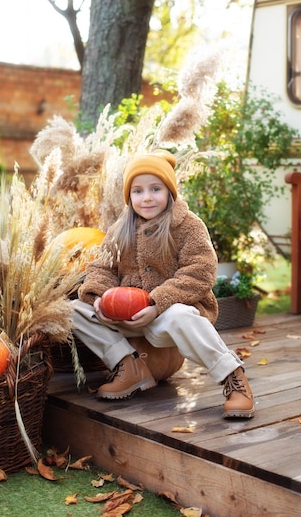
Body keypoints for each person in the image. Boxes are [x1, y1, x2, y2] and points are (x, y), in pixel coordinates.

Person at [72, 150, 255, 419]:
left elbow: (200, 271)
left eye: (155, 189)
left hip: (165, 320)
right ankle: (128, 365)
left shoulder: (188, 226)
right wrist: (99, 296)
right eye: (138, 191)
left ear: (170, 191)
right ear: (129, 196)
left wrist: (157, 303)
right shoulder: (119, 229)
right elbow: (102, 268)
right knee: (75, 310)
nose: (146, 197)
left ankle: (232, 377)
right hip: (125, 319)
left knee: (181, 314)